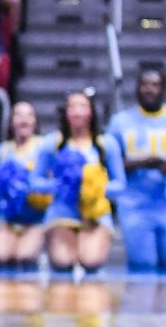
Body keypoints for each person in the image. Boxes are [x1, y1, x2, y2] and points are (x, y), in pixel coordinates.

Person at [107, 69, 166, 272]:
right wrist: (142, 163)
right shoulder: (119, 122)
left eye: (155, 85)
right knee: (143, 266)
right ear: (136, 88)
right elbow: (109, 166)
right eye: (144, 84)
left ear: (164, 89)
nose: (149, 89)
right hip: (135, 207)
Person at [30, 91, 125, 272]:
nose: (77, 112)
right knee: (63, 261)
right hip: (61, 213)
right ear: (65, 113)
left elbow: (120, 184)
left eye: (82, 106)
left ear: (91, 112)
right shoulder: (53, 142)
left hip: (96, 215)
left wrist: (94, 187)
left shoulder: (106, 143)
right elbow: (34, 181)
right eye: (72, 107)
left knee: (91, 260)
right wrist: (60, 186)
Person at [0, 101, 48, 269]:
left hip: (38, 218)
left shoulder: (44, 147)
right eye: (18, 115)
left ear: (35, 121)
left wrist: (32, 188)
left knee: (24, 257)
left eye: (29, 115)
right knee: (0, 257)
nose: (24, 119)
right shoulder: (1, 151)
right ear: (10, 122)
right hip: (10, 219)